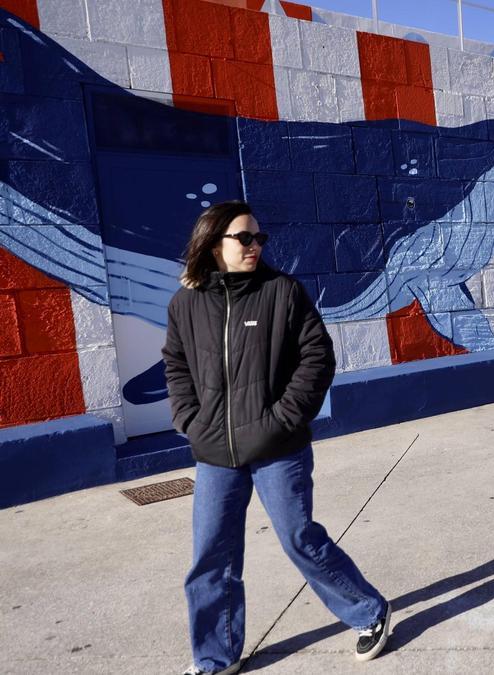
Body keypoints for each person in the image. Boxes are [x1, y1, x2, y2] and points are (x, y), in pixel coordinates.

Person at [163, 202, 390, 675]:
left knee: (299, 539)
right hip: (214, 453)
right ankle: (215, 657)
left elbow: (318, 358)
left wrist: (283, 419)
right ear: (213, 243)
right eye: (244, 238)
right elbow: (176, 364)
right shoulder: (187, 302)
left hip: (277, 448)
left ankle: (369, 611)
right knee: (211, 556)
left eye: (259, 238)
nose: (255, 247)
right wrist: (188, 418)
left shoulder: (281, 292)